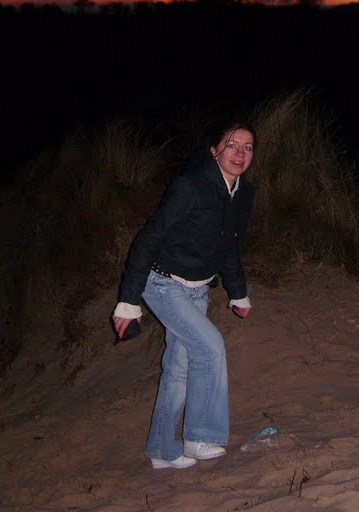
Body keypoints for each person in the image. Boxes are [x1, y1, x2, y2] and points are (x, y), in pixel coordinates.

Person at [112, 122, 257, 470]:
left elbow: (229, 246)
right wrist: (128, 301)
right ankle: (201, 435)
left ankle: (161, 450)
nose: (239, 154)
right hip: (164, 285)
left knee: (178, 369)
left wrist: (238, 293)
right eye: (231, 145)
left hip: (198, 290)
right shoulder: (190, 186)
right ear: (214, 151)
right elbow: (148, 239)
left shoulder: (243, 194)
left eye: (248, 147)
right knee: (209, 348)